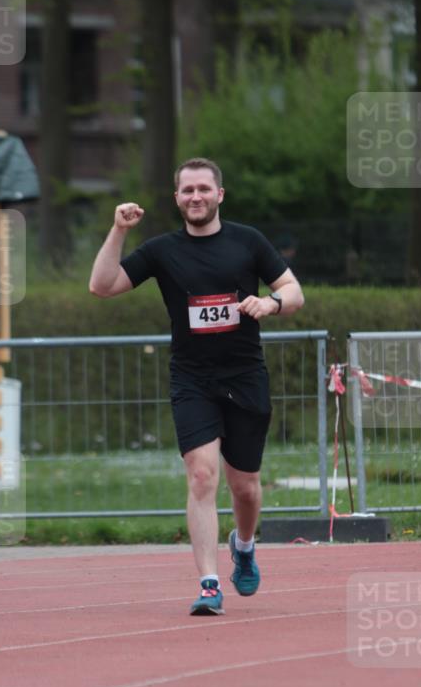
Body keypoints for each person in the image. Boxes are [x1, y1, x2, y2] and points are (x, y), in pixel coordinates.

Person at [89, 157, 304, 615]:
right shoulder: (162, 250)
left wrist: (270, 303)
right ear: (177, 199)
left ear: (219, 195)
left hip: (245, 377)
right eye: (187, 191)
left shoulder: (248, 241)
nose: (196, 197)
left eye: (204, 189)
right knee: (202, 475)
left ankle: (243, 547)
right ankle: (209, 583)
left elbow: (295, 291)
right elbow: (102, 285)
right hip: (192, 380)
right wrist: (118, 230)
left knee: (244, 487)